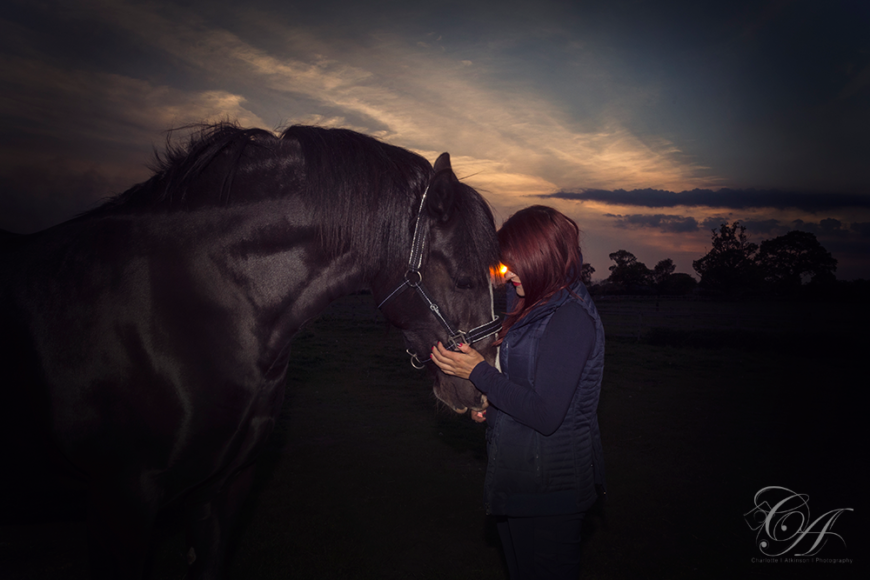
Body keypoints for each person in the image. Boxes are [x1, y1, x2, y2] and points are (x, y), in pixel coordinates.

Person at [431, 205, 605, 580]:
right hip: (520, 481)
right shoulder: (534, 306)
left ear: (541, 258)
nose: (508, 273)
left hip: (551, 494)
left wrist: (476, 371)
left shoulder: (570, 319)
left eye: (515, 263)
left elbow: (545, 414)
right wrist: (494, 411)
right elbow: (525, 386)